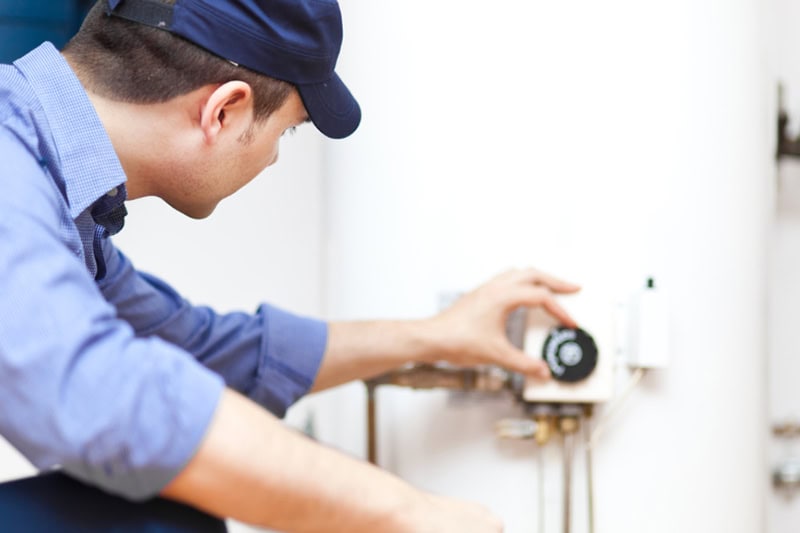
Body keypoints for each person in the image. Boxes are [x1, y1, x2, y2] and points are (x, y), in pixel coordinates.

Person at [0, 0, 581, 531]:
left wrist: (434, 337)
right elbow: (101, 394)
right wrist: (409, 514)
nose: (275, 156)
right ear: (224, 111)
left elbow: (195, 352)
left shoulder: (60, 192)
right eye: (289, 131)